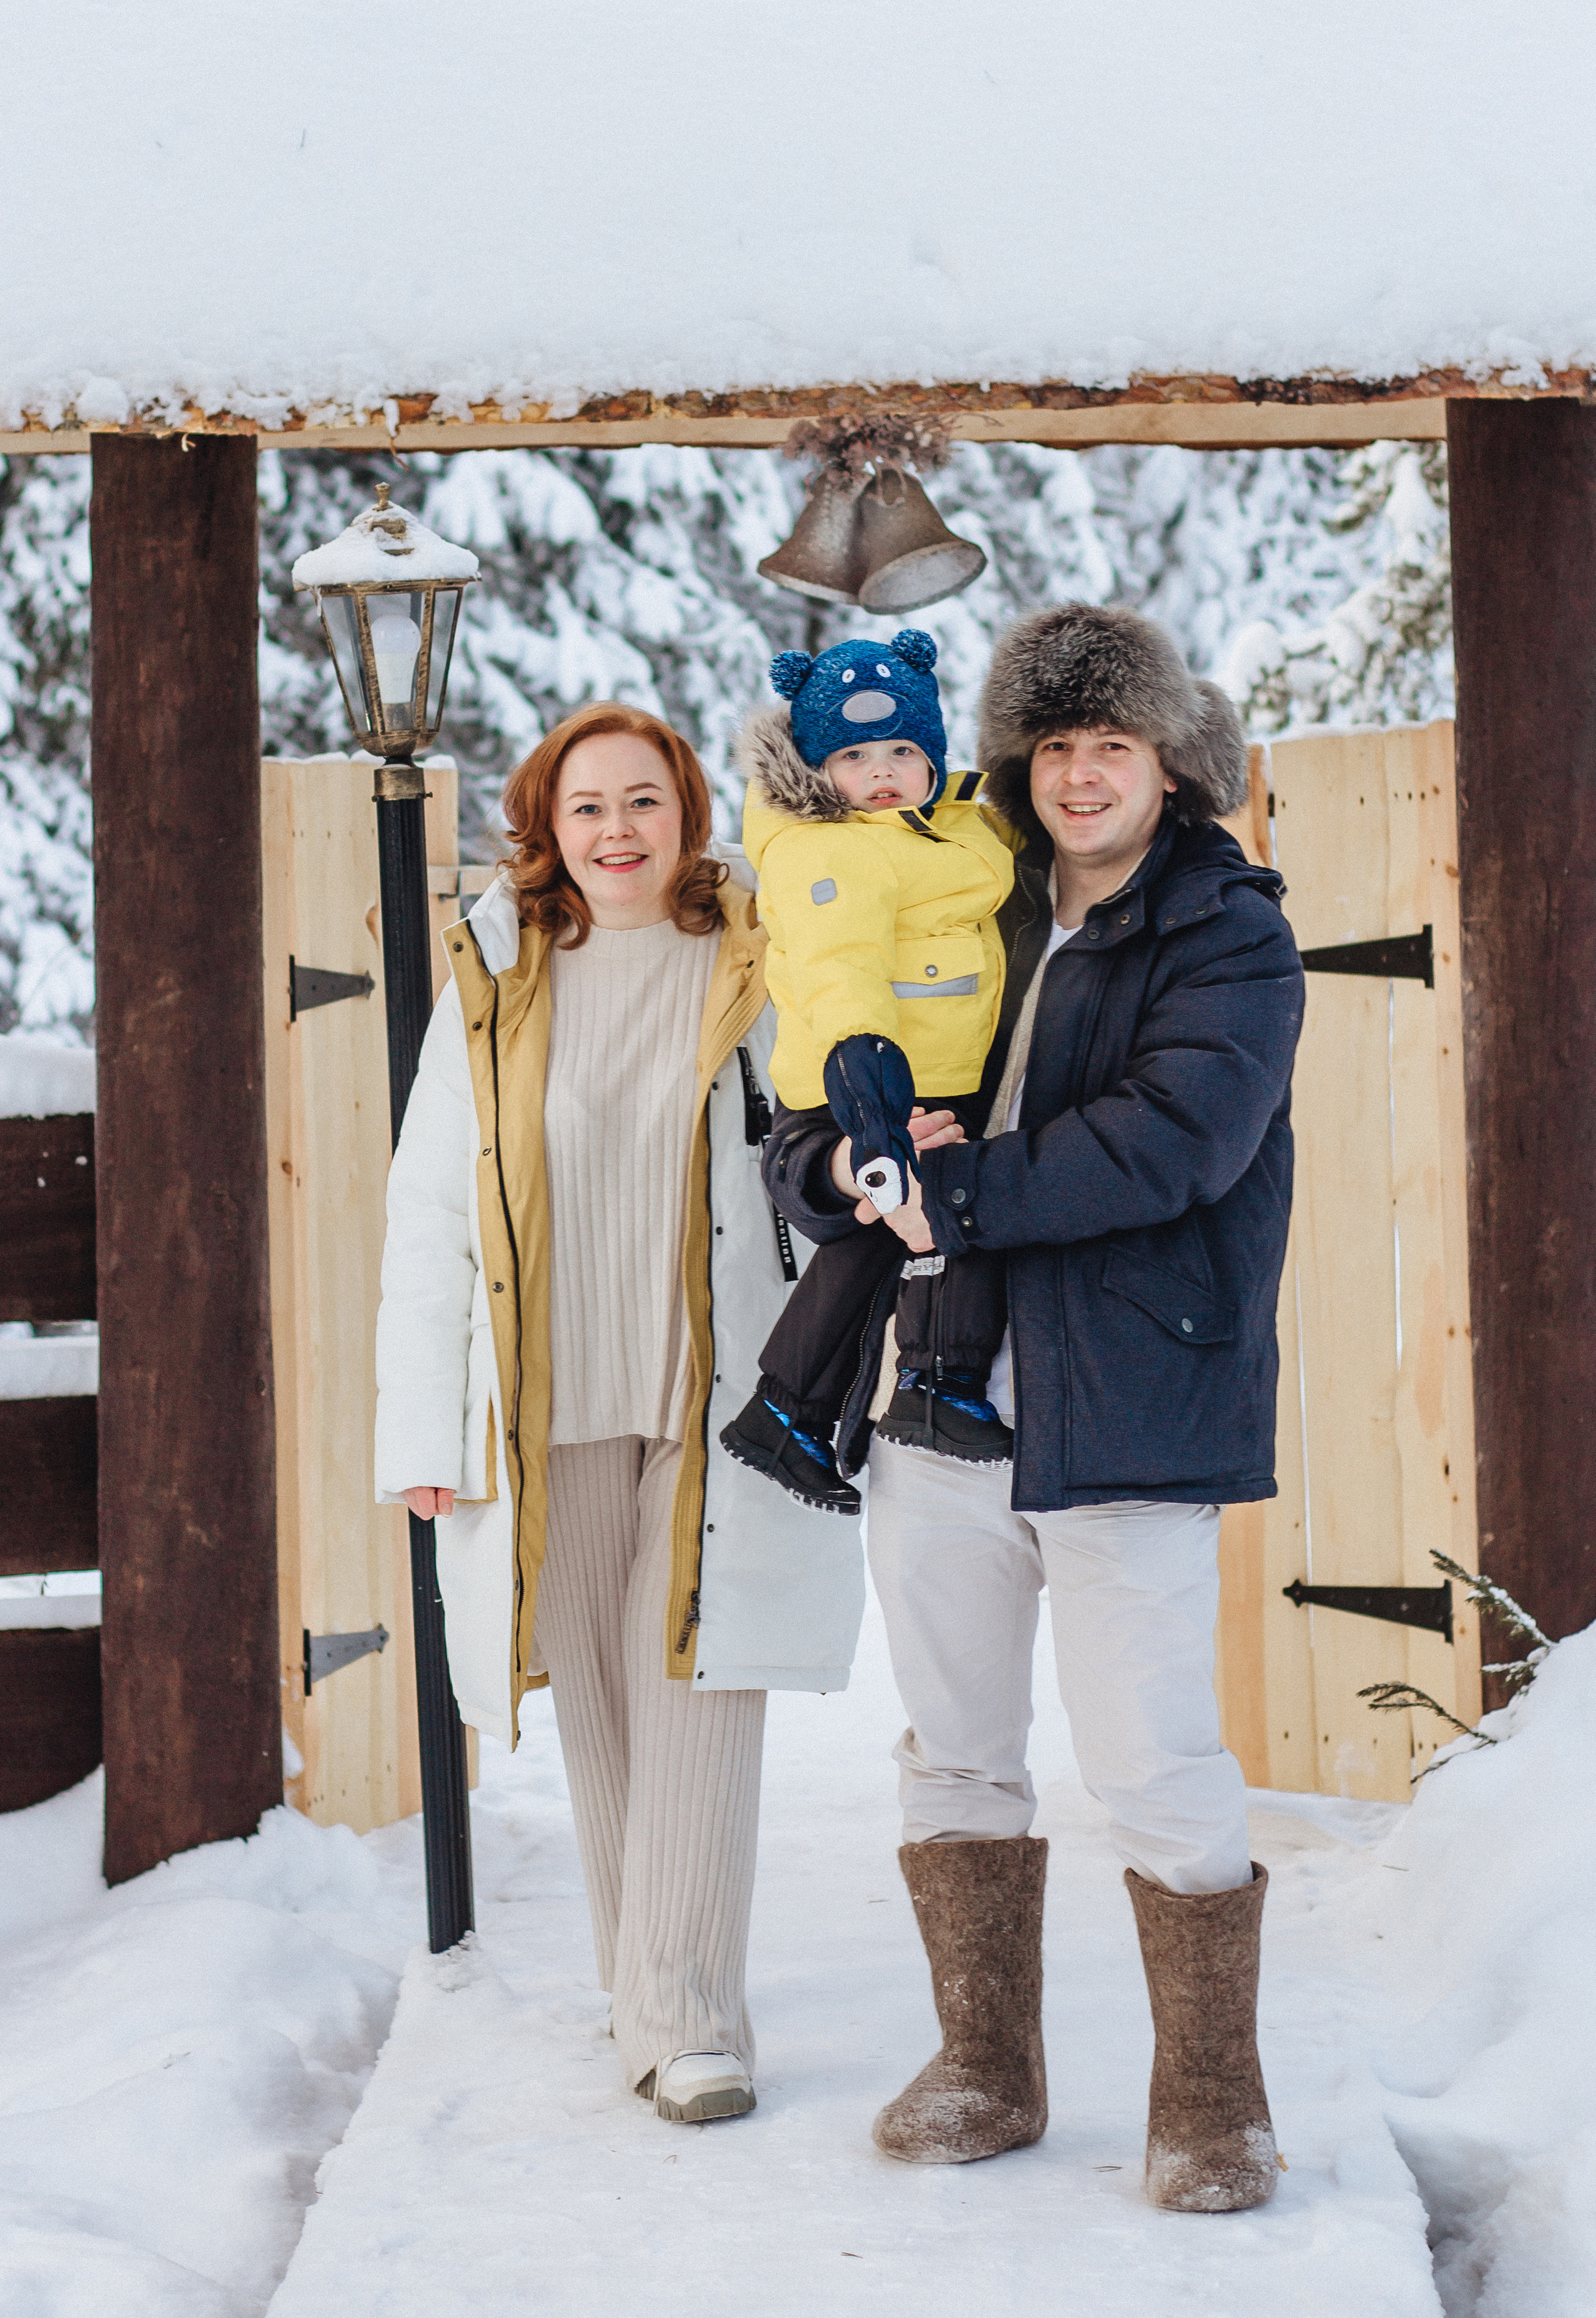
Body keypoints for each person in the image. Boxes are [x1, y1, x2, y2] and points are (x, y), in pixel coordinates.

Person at [763, 604, 1305, 2213]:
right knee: (953, 1742)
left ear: (1167, 762)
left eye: (1111, 745)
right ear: (1017, 758)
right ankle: (984, 2064)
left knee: (1150, 1754)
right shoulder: (962, 890)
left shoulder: (1224, 932)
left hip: (1130, 1393)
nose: (1079, 775)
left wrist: (955, 1194)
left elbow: (1170, 1141)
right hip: (940, 1380)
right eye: (1054, 745)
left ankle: (1214, 2099)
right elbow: (815, 1075)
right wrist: (838, 1168)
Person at [373, 702, 868, 2125]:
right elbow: (428, 1214)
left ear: (687, 811)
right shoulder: (496, 972)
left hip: (722, 1383)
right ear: (547, 826)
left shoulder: (760, 951)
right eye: (586, 806)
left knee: (703, 1683)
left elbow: (834, 1120)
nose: (617, 832)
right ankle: (651, 1996)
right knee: (593, 1697)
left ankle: (690, 2019)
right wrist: (419, 1432)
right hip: (542, 1401)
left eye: (642, 801)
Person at [719, 629, 1016, 1518]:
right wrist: (875, 1111)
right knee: (939, 1217)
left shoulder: (958, 831)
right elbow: (844, 971)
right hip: (872, 1077)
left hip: (938, 1073)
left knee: (865, 1254)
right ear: (816, 769)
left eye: (901, 751)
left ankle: (794, 1412)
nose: (880, 770)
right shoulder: (829, 850)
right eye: (852, 755)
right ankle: (930, 1384)